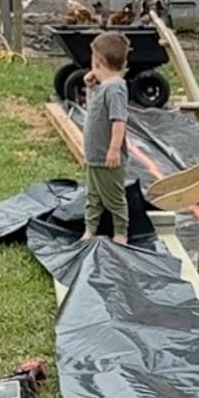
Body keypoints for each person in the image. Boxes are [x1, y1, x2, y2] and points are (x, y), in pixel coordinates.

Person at [81, 31, 130, 245]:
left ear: (97, 61)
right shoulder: (105, 86)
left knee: (113, 198)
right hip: (94, 156)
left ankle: (121, 233)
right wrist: (91, 85)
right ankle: (90, 229)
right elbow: (96, 109)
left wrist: (114, 149)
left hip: (107, 157)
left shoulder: (116, 88)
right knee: (93, 196)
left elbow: (119, 121)